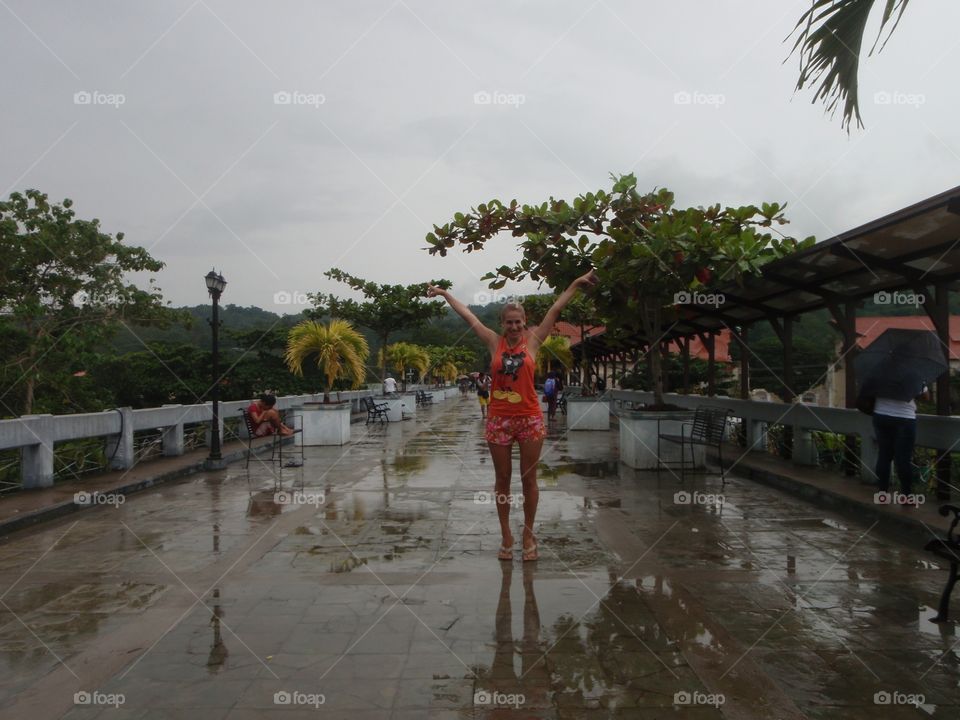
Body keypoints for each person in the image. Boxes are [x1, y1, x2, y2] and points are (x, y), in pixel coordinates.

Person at [427, 270, 597, 561]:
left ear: (524, 323)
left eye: (519, 322)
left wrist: (574, 283)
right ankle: (506, 533)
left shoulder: (533, 341)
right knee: (502, 479)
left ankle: (528, 533)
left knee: (529, 479)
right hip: (499, 419)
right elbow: (468, 316)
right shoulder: (494, 342)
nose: (515, 326)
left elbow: (556, 309)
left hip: (529, 417)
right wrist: (444, 294)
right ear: (503, 324)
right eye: (509, 322)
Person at [872, 382, 928, 505]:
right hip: (904, 417)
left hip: (880, 415)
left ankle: (883, 494)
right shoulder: (912, 373)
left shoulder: (878, 371)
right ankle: (906, 496)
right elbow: (925, 397)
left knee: (884, 456)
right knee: (903, 458)